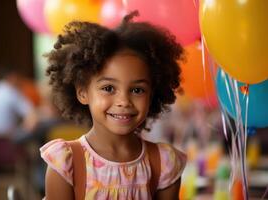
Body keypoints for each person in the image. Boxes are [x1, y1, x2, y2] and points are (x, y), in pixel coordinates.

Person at [40, 11, 187, 200]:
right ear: (82, 92)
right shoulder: (66, 162)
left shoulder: (164, 163)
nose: (123, 101)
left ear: (152, 93)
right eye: (108, 88)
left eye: (137, 90)